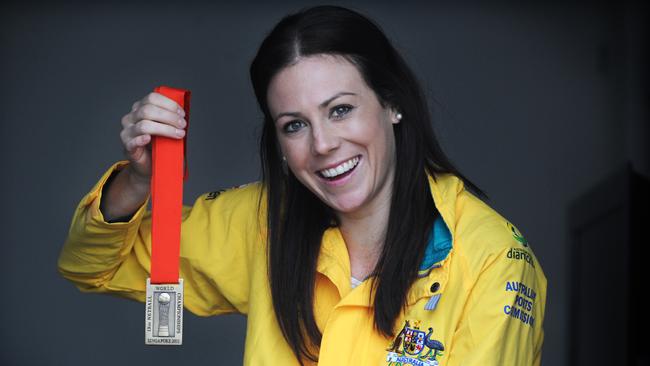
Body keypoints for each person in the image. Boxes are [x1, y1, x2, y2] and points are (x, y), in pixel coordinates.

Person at [58, 5, 547, 366]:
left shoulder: (492, 260)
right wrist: (142, 180)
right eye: (294, 125)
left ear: (392, 104)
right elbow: (96, 268)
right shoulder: (264, 221)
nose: (323, 144)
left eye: (340, 110)